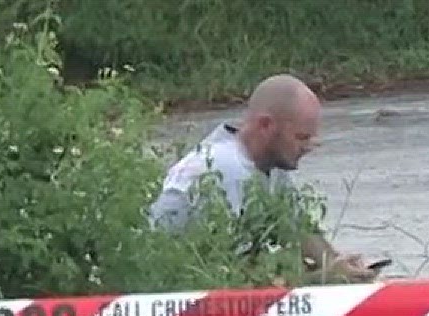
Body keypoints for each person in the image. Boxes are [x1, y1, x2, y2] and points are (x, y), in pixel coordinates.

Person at [147, 74, 380, 283]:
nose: (309, 147)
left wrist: (340, 264)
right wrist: (323, 278)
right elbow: (233, 275)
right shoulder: (223, 169)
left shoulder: (271, 163)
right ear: (266, 125)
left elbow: (298, 229)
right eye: (301, 137)